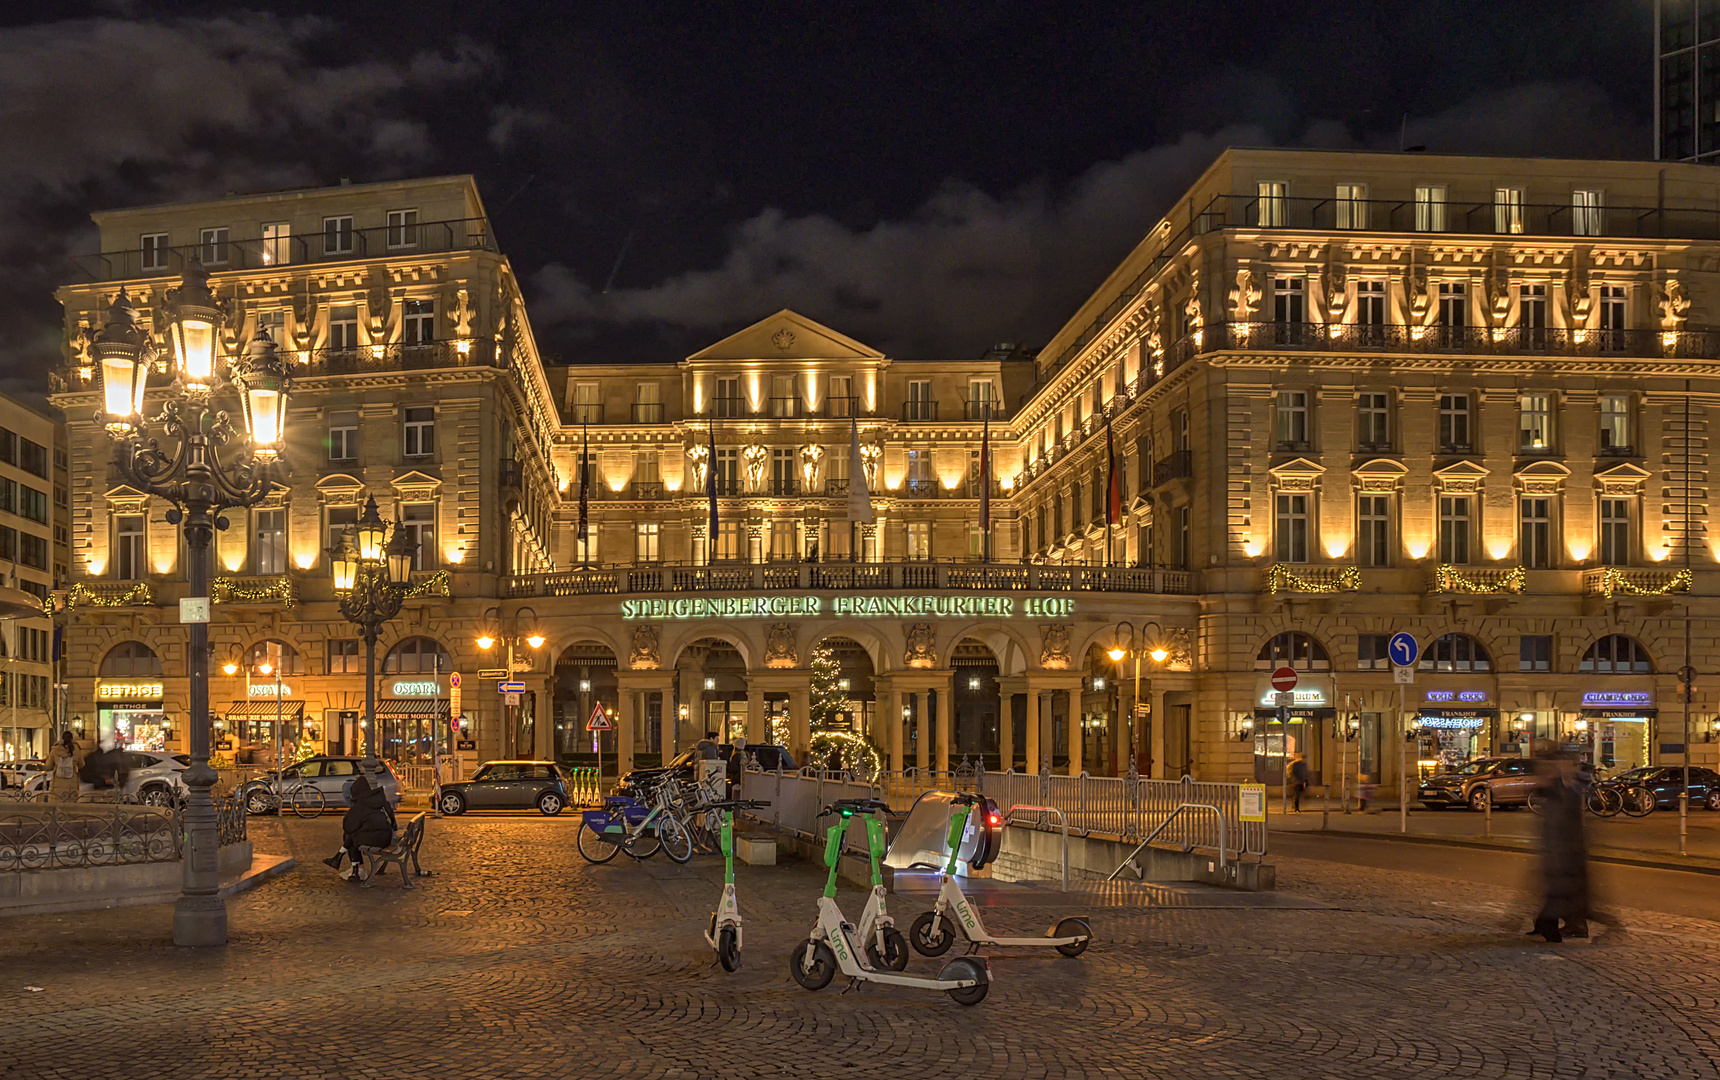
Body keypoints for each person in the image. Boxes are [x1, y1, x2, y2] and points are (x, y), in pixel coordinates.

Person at [1529, 749, 1590, 942]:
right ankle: (1548, 924)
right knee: (1559, 892)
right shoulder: (1559, 788)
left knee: (1563, 893)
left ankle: (1563, 926)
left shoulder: (1566, 789)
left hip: (1565, 852)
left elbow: (1565, 823)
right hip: (1559, 851)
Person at [325, 768, 395, 881]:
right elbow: (392, 818)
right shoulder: (380, 800)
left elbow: (348, 827)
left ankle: (357, 870)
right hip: (386, 837)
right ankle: (343, 861)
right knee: (354, 834)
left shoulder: (360, 806)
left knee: (350, 835)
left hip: (375, 840)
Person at [45, 731, 82, 803]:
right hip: (71, 784)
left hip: (57, 784)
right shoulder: (76, 749)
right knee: (70, 807)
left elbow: (48, 766)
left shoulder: (55, 749)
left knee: (56, 807)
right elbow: (82, 764)